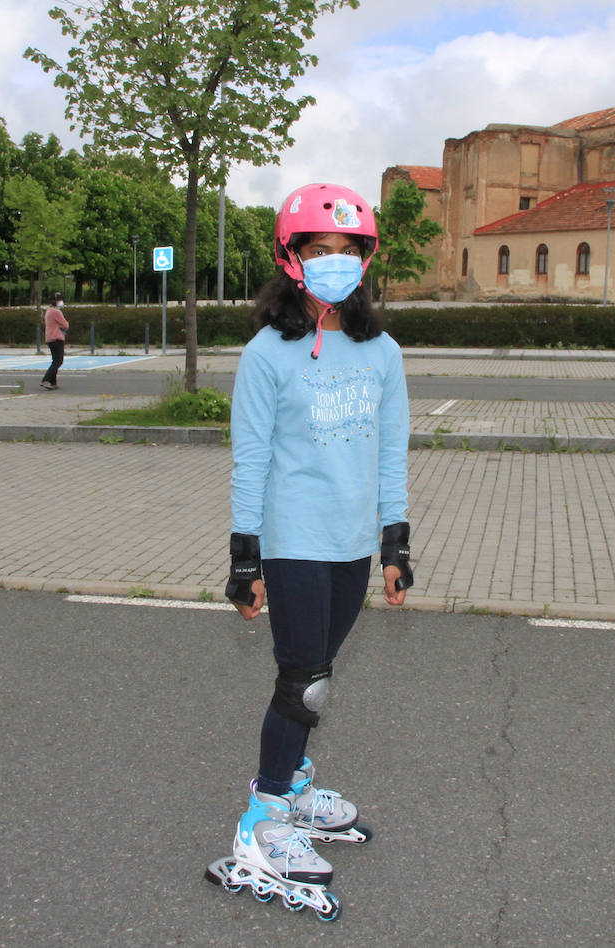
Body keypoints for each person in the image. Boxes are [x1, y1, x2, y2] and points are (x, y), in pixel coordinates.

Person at [204, 183, 413, 921]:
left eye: (347, 252)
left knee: (321, 669)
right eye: (319, 251)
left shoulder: (381, 351)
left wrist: (396, 541)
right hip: (291, 540)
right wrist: (245, 559)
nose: (335, 264)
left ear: (365, 261)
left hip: (351, 543)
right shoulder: (267, 354)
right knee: (304, 684)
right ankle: (262, 822)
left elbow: (392, 452)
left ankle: (292, 786)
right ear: (291, 261)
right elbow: (250, 460)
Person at [40, 292, 67, 390]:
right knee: (58, 361)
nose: (61, 302)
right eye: (59, 300)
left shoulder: (48, 311)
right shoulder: (56, 312)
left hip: (50, 338)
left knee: (55, 360)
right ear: (55, 301)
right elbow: (65, 325)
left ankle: (53, 382)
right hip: (56, 338)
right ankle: (46, 380)